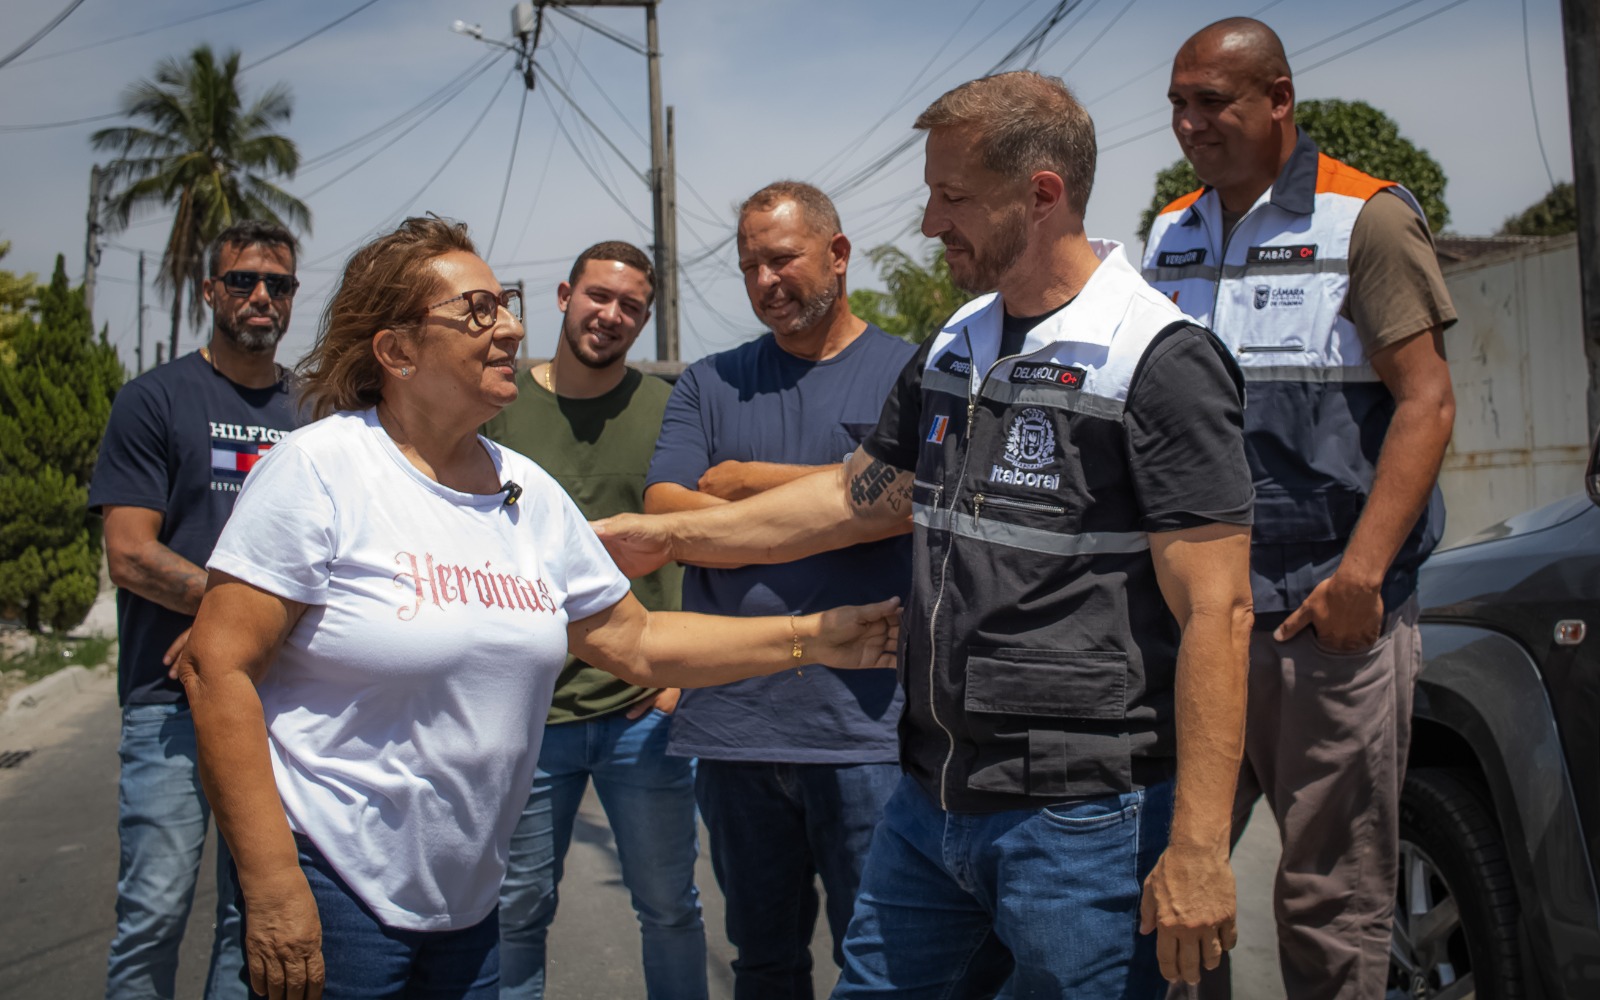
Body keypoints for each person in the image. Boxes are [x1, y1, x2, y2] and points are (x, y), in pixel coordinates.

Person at [598, 71, 1257, 997]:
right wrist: (666, 539)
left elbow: (1220, 612)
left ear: (1040, 195)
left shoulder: (1156, 360)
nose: (929, 221)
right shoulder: (958, 346)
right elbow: (851, 499)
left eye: (952, 196)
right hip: (931, 797)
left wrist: (1196, 845)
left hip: (1083, 820)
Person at [172, 216, 900, 1000]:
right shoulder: (320, 469)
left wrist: (817, 639)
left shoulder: (526, 492)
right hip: (334, 892)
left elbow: (641, 642)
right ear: (397, 351)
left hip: (465, 914)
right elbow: (219, 670)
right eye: (478, 311)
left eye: (507, 303)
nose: (512, 327)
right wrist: (273, 884)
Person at [1143, 19, 1456, 1000]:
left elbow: (1426, 399)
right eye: (1178, 105)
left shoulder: (1365, 218)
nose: (1191, 123)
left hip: (1326, 613)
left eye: (1214, 102)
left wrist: (1359, 576)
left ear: (1277, 99)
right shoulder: (1173, 230)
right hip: (1203, 614)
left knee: (1328, 901)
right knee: (1172, 877)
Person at [644, 180, 915, 998]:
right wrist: (841, 500)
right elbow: (663, 508)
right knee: (764, 964)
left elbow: (909, 503)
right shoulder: (710, 382)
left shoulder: (912, 371)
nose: (765, 280)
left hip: (868, 725)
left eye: (782, 258)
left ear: (837, 254)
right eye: (750, 264)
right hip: (736, 721)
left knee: (884, 963)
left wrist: (745, 484)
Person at [484, 241, 705, 1000]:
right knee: (515, 914)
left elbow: (700, 535)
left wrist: (676, 682)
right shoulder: (500, 404)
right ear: (562, 295)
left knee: (670, 908)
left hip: (642, 713)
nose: (611, 316)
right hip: (527, 714)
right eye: (598, 296)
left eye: (631, 307)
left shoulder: (665, 409)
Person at [90, 220, 303, 1000]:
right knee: (153, 912)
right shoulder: (155, 400)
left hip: (281, 705)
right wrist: (230, 620)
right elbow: (131, 553)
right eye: (243, 281)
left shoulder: (315, 414)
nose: (259, 297)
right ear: (210, 291)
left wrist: (245, 631)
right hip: (167, 700)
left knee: (253, 914)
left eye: (277, 285)